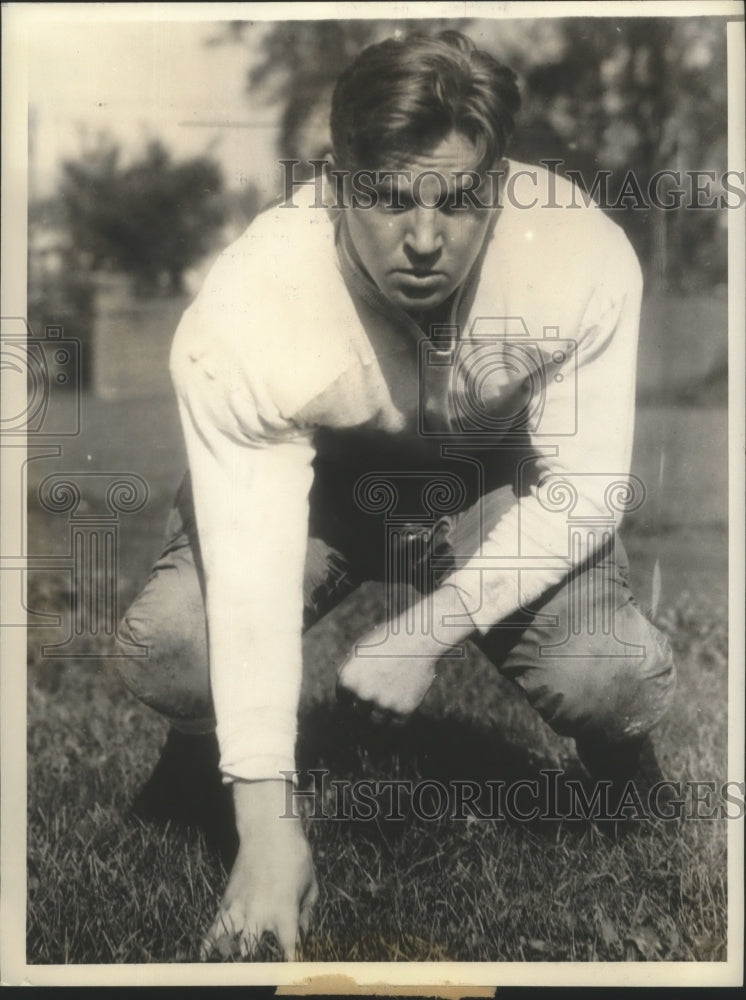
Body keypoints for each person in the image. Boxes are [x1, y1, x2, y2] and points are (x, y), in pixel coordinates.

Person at [116, 30, 675, 961]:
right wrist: (265, 830)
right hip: (322, 485)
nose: (424, 239)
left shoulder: (577, 252)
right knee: (180, 644)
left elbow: (585, 487)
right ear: (336, 187)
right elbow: (251, 557)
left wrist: (426, 630)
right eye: (384, 198)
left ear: (496, 186)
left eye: (457, 201)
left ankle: (624, 766)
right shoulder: (251, 296)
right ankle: (205, 749)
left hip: (489, 482)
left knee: (608, 673)